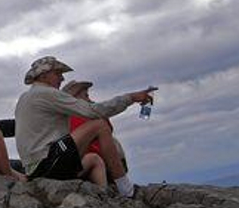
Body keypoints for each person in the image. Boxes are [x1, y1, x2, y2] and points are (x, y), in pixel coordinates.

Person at [15, 55, 156, 197]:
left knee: (93, 159)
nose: (62, 78)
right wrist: (131, 97)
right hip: (47, 164)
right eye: (58, 73)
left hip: (35, 169)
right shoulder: (47, 93)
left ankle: (103, 197)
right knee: (99, 125)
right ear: (44, 75)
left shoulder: (25, 98)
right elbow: (93, 112)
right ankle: (127, 190)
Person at [63, 80, 128, 175]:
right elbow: (107, 130)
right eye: (86, 96)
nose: (90, 100)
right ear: (75, 98)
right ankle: (121, 184)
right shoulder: (77, 117)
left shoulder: (65, 118)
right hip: (98, 161)